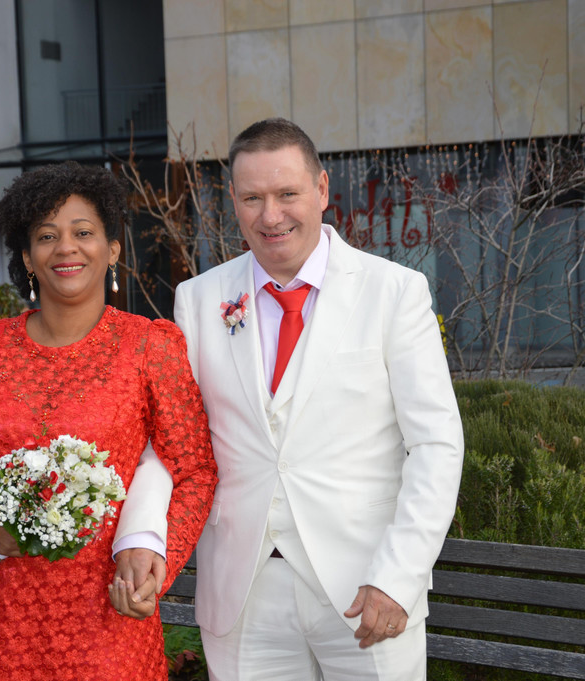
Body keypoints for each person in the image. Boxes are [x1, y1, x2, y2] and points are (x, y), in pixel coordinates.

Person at [113, 118, 464, 680]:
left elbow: (436, 446)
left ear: (322, 189)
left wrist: (399, 577)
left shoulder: (394, 292)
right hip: (242, 592)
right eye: (252, 198)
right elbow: (172, 441)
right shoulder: (198, 300)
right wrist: (141, 534)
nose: (270, 216)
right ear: (233, 200)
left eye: (287, 194)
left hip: (367, 586)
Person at [0, 161, 217, 681]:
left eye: (83, 232)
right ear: (27, 257)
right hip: (5, 620)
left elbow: (195, 469)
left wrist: (155, 560)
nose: (66, 248)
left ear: (112, 249)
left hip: (112, 615)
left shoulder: (150, 347)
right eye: (46, 236)